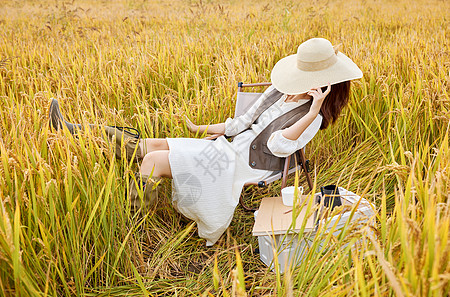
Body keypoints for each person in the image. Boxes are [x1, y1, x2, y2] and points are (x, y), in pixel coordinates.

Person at [48, 38, 363, 246]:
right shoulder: (278, 89)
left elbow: (278, 147)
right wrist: (200, 127)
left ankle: (134, 222)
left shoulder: (315, 118)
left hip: (245, 165)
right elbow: (242, 122)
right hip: (227, 148)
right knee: (154, 144)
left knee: (152, 162)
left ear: (327, 83)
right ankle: (74, 131)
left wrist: (312, 109)